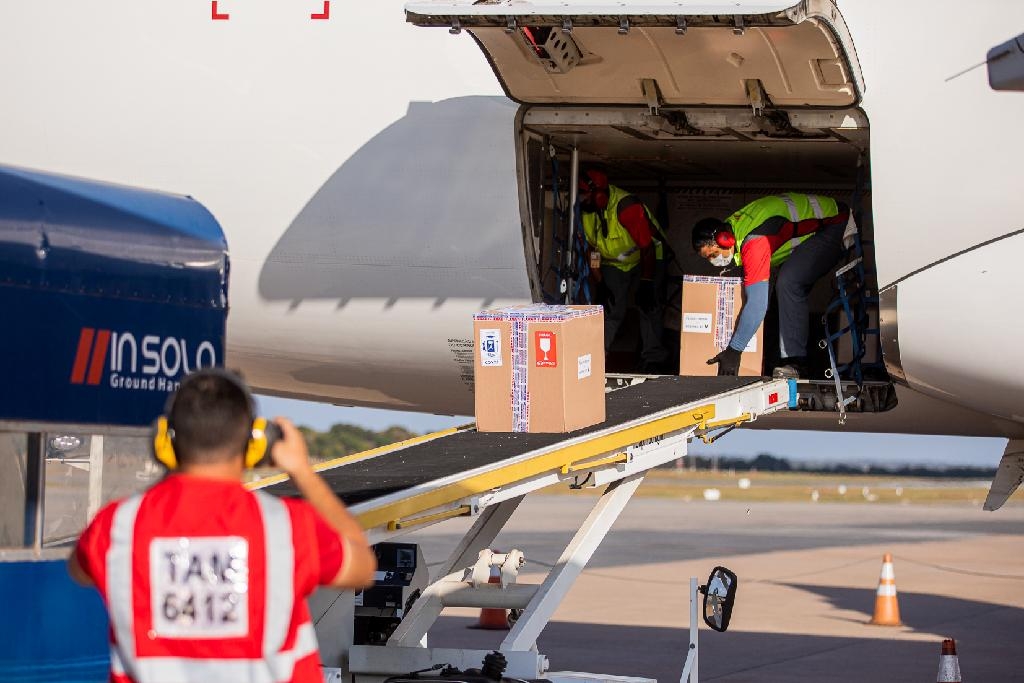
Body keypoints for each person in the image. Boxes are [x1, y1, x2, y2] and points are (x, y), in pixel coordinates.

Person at [68, 368, 377, 683]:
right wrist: (302, 470)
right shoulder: (285, 525)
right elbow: (363, 567)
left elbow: (80, 571)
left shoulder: (118, 526)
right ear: (254, 444)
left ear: (164, 441)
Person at [691, 192, 854, 378]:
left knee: (789, 282)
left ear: (725, 240)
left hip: (836, 224)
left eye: (713, 254)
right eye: (708, 258)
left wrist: (734, 351)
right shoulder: (732, 228)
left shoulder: (755, 241)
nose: (714, 261)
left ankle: (796, 363)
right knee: (774, 286)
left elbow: (757, 306)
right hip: (819, 226)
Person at [579, 167, 669, 372]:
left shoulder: (626, 207)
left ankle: (653, 359)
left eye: (584, 194)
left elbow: (647, 248)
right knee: (610, 307)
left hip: (648, 257)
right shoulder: (585, 212)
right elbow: (592, 250)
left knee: (648, 305)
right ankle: (597, 357)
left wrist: (646, 282)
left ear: (599, 195)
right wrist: (600, 281)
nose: (582, 199)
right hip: (614, 263)